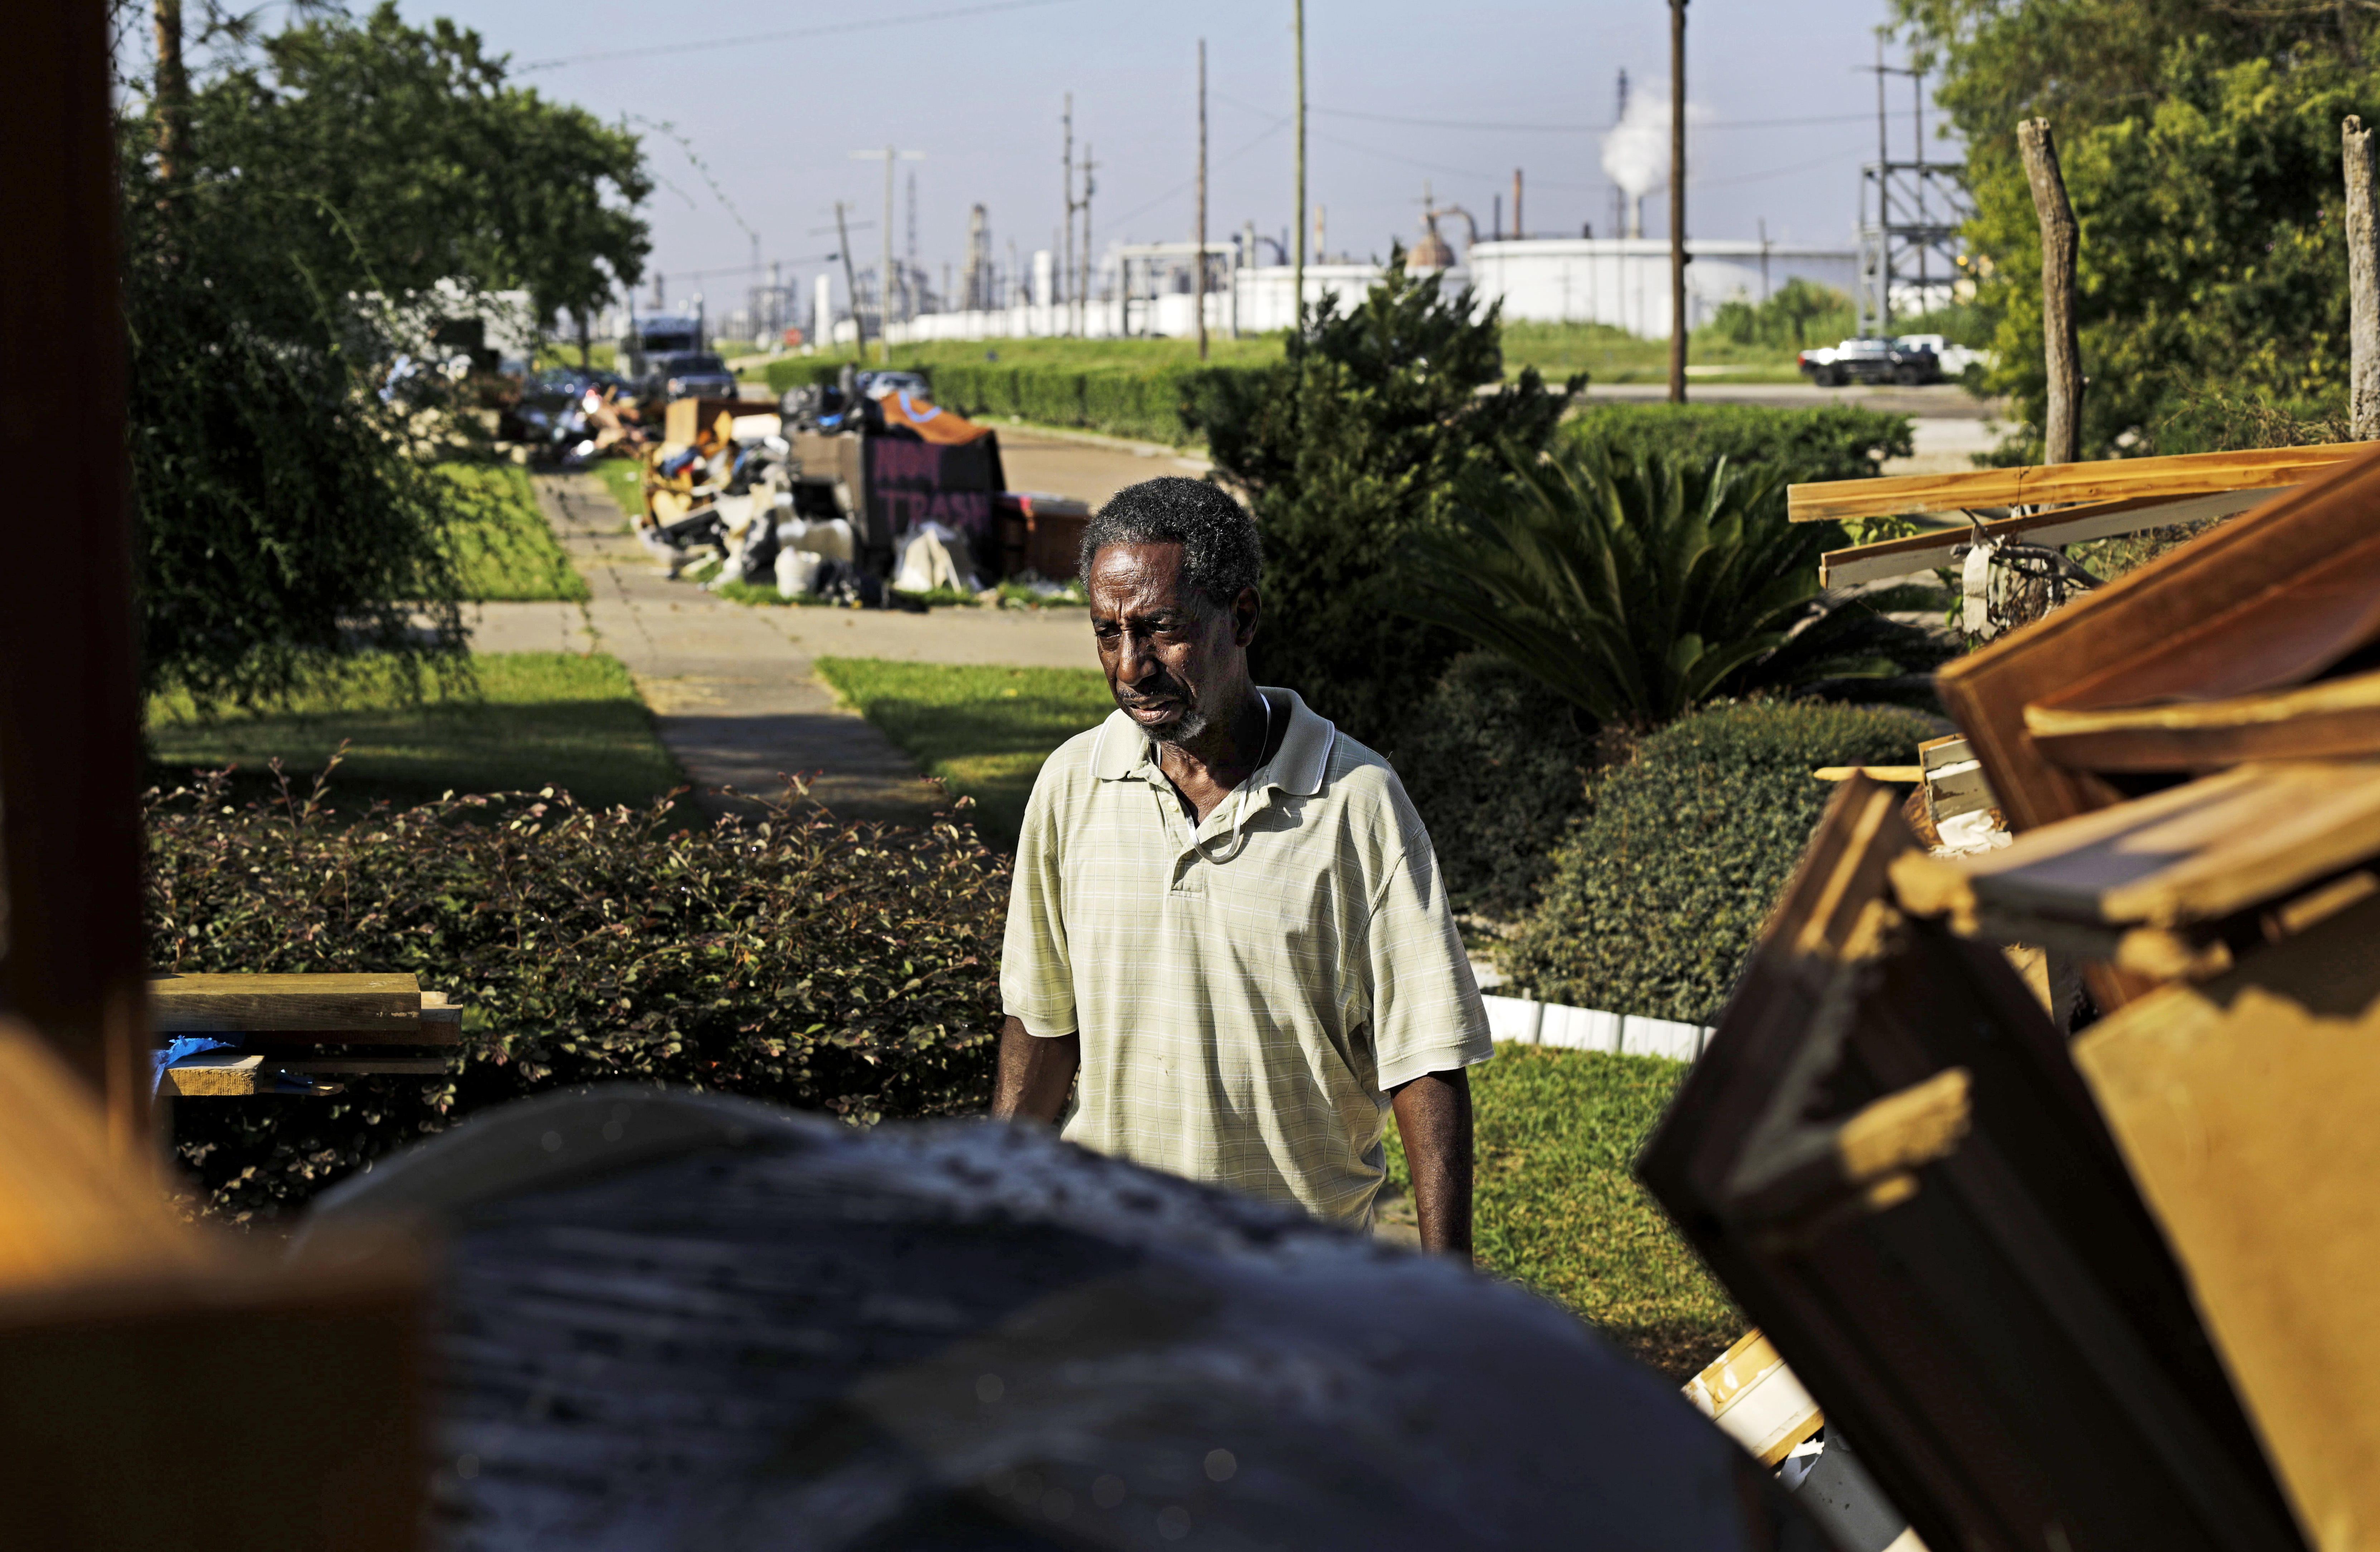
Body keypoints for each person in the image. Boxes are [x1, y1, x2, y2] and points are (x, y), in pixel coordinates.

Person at [993, 476, 1492, 1259]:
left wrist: (1446, 1293)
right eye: (1106, 633)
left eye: (1160, 630)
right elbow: (1041, 1023)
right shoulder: (1071, 784)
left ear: (1243, 617)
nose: (1130, 666)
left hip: (1295, 1284)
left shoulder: (1355, 802)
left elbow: (1425, 1059)